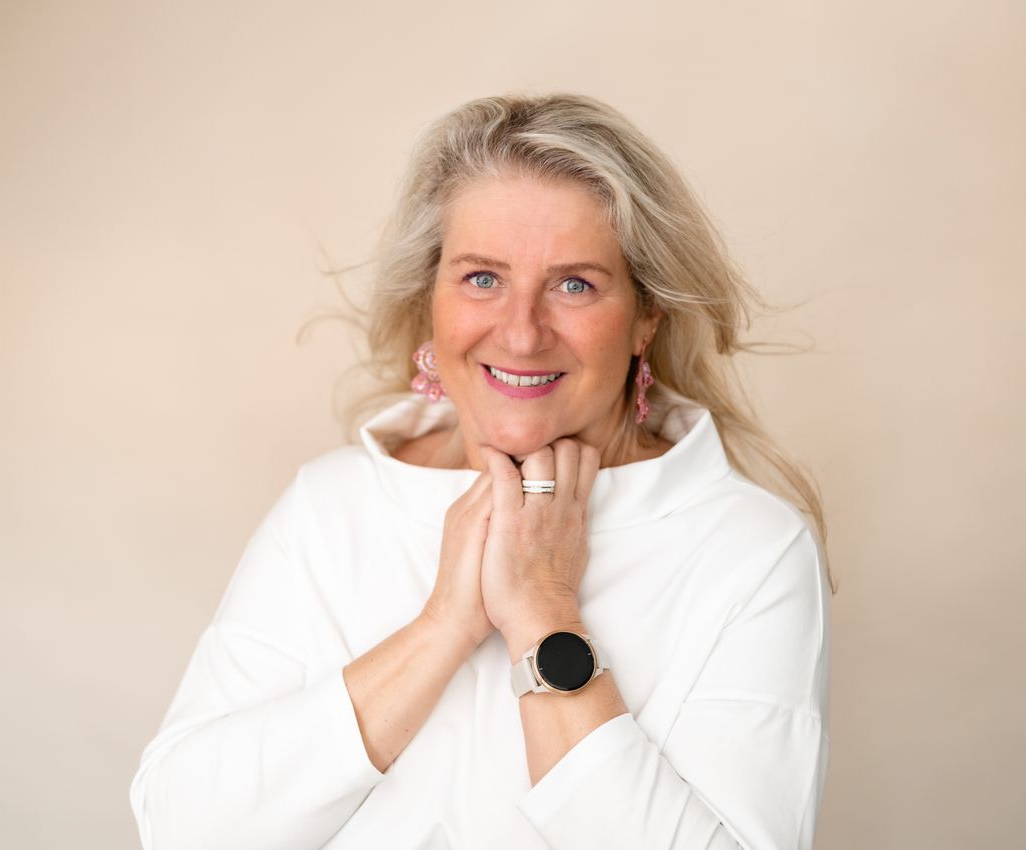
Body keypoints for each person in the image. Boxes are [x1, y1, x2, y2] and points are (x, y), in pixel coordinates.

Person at [130, 92, 835, 849]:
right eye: (481, 278)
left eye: (575, 284)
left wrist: (543, 616)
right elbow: (181, 828)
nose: (522, 331)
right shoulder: (332, 506)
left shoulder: (749, 548)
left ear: (646, 317)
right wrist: (443, 627)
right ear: (429, 301)